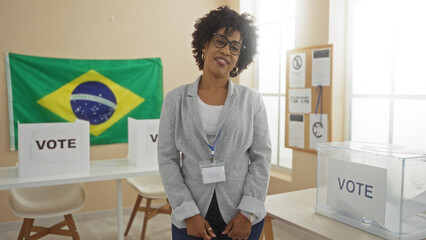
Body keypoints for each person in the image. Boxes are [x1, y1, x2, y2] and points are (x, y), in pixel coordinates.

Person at [158, 6, 271, 240]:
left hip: (240, 217)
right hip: (192, 214)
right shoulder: (175, 100)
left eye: (235, 47)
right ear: (204, 44)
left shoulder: (252, 100)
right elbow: (167, 158)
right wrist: (188, 213)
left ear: (240, 57)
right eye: (220, 40)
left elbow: (262, 157)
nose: (226, 51)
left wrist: (247, 212)